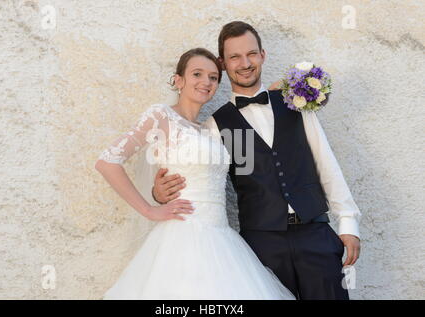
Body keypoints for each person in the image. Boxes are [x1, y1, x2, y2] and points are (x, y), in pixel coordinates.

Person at [153, 21, 362, 300]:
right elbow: (198, 176)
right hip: (261, 247)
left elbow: (326, 162)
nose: (245, 63)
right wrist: (159, 193)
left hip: (316, 235)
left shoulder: (295, 103)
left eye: (251, 54)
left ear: (262, 55)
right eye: (235, 57)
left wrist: (348, 221)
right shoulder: (215, 127)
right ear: (223, 64)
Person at [95, 47, 296, 299]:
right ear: (178, 80)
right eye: (197, 74)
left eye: (213, 77)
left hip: (223, 239)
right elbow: (107, 162)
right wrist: (150, 208)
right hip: (182, 234)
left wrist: (275, 94)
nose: (206, 82)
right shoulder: (161, 116)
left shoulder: (210, 129)